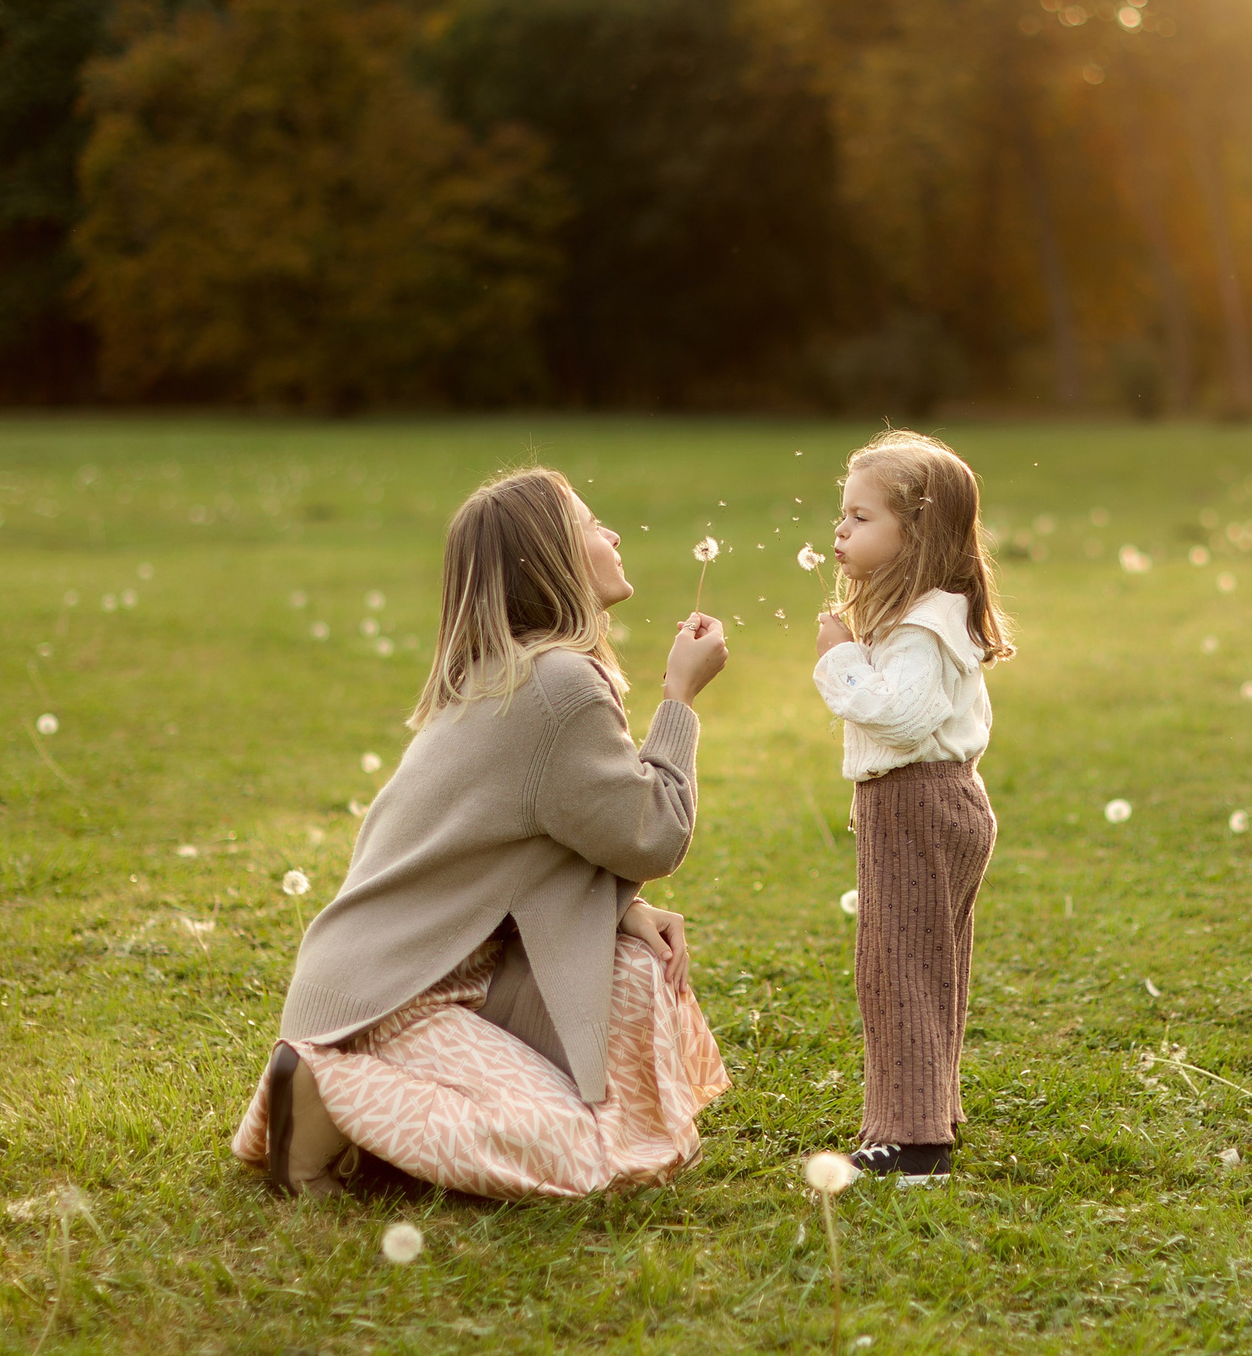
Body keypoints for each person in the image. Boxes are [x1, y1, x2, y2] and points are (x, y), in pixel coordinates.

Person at [232, 467, 731, 1200]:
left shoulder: (511, 674)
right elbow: (653, 835)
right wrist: (679, 700)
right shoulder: (559, 687)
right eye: (594, 525)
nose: (614, 535)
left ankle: (375, 1127)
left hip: (448, 971)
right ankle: (324, 1085)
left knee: (632, 971)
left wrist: (626, 910)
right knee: (583, 1154)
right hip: (400, 994)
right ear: (552, 556)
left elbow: (525, 841)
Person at [811, 430, 1012, 1186]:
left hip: (918, 803)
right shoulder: (926, 617)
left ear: (915, 532)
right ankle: (927, 1112)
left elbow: (897, 718)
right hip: (934, 802)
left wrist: (837, 659)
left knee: (895, 968)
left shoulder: (924, 627)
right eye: (843, 514)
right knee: (925, 963)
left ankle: (915, 1141)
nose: (840, 530)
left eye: (860, 517)